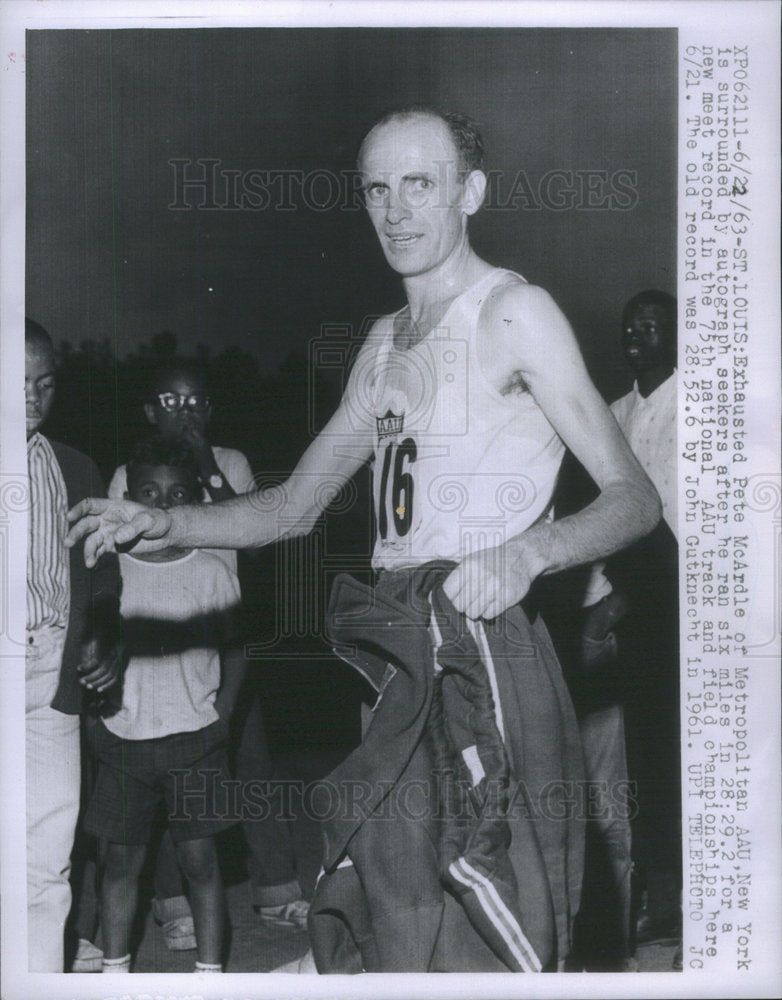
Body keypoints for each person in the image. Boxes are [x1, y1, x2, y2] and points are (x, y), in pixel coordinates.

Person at [68, 108, 661, 971]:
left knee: (495, 916)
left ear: (472, 192)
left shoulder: (513, 311)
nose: (395, 209)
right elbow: (289, 509)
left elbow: (634, 497)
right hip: (391, 644)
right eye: (376, 188)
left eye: (420, 182)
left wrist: (532, 552)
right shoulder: (382, 345)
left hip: (482, 639)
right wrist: (167, 520)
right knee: (396, 907)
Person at [106, 360, 310, 950]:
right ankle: (174, 905)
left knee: (248, 757)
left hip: (222, 628)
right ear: (149, 412)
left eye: (196, 402)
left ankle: (276, 892)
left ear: (210, 411)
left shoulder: (232, 462)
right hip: (159, 631)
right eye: (170, 401)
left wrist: (205, 465)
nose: (184, 412)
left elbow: (252, 528)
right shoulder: (129, 473)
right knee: (163, 766)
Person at [83, 435, 245, 973]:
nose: (161, 504)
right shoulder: (110, 570)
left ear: (196, 499)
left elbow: (238, 649)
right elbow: (88, 650)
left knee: (200, 863)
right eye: (148, 492)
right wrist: (94, 722)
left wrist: (222, 715)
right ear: (127, 495)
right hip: (123, 740)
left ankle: (211, 974)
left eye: (177, 494)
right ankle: (114, 969)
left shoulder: (212, 570)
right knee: (118, 865)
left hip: (194, 741)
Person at [579, 290, 680, 965]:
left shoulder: (693, 409)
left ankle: (667, 905)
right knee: (610, 765)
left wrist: (616, 607)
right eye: (630, 326)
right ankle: (630, 894)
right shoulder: (613, 414)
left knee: (659, 756)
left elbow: (672, 535)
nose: (638, 336)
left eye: (652, 326)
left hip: (664, 608)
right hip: (606, 606)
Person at [24, 317, 123, 972]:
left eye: (45, 383)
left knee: (45, 861)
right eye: (14, 383)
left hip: (48, 676)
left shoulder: (75, 468)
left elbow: (105, 581)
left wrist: (107, 634)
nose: (31, 398)